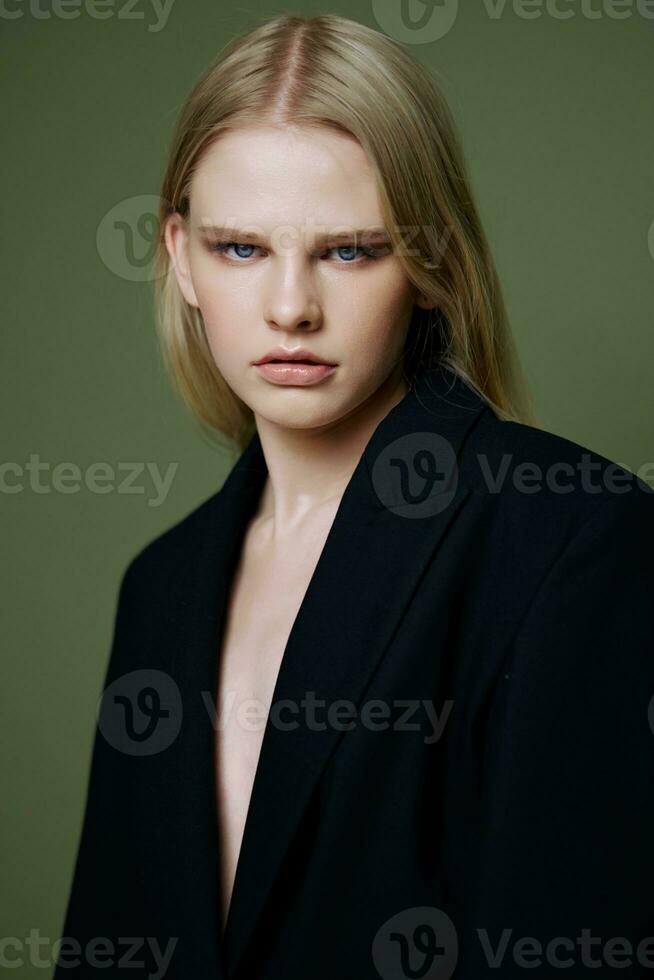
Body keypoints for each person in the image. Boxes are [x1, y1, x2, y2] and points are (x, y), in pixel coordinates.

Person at [55, 13, 654, 980]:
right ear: (177, 254)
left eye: (349, 250)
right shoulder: (159, 588)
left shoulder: (568, 538)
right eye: (241, 248)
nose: (290, 307)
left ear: (429, 262)